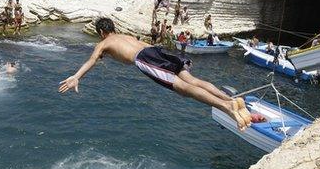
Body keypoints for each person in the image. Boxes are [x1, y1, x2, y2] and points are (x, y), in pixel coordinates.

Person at [59, 18, 252, 130]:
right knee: (193, 80)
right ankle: (232, 99)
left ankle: (227, 107)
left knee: (183, 89)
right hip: (157, 51)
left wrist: (76, 77)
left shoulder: (103, 44)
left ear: (101, 32)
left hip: (144, 59)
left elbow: (91, 61)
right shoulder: (125, 36)